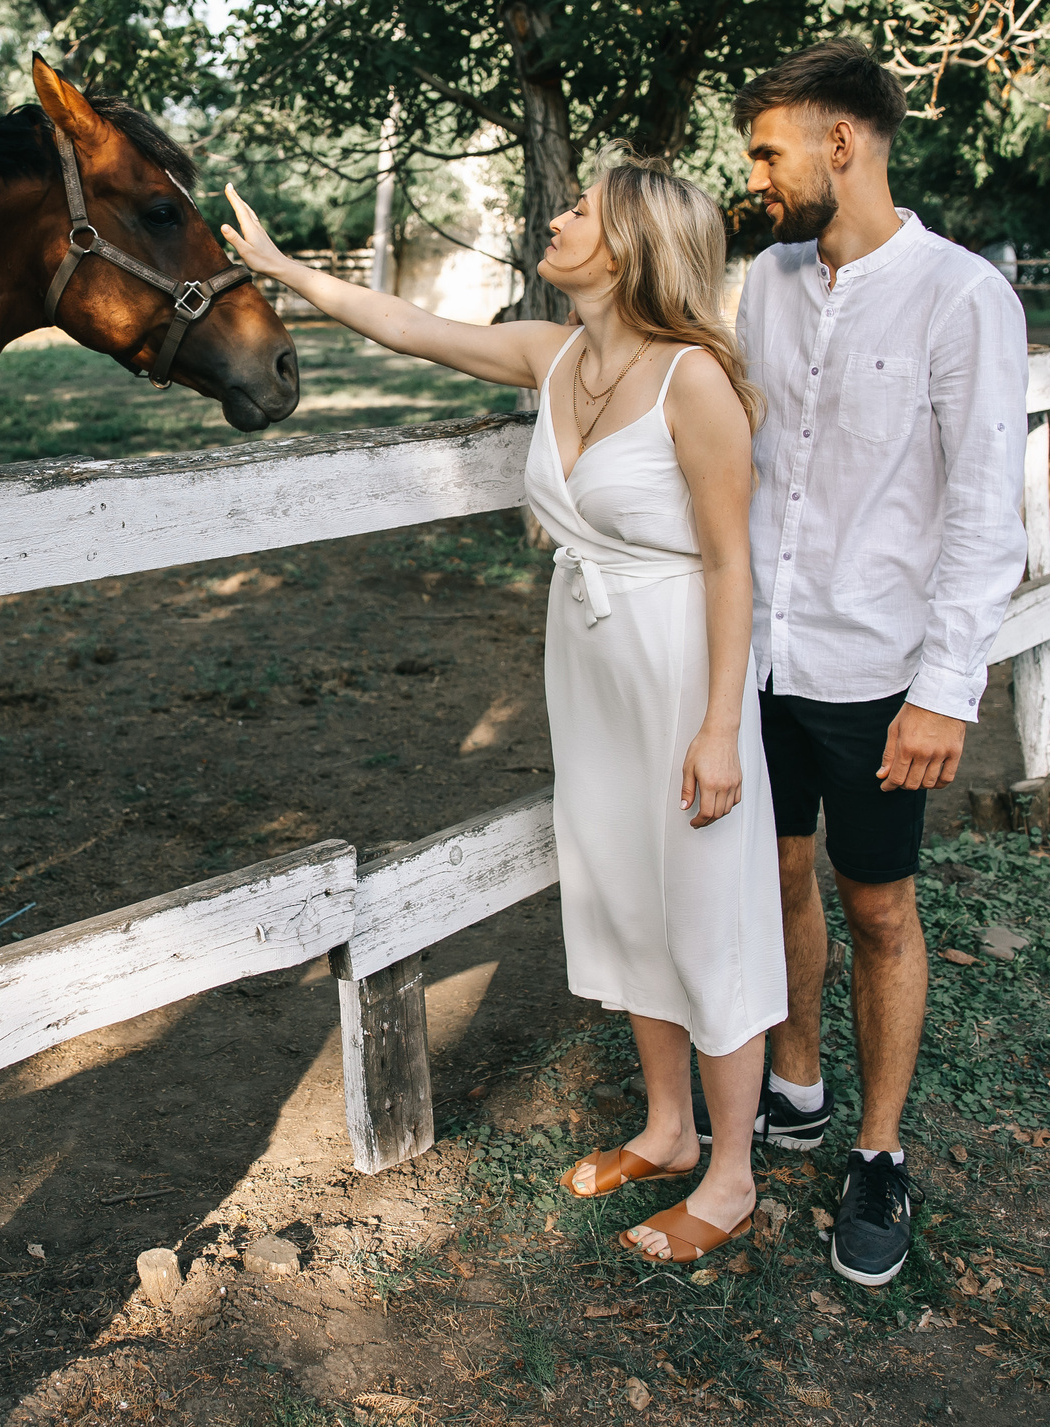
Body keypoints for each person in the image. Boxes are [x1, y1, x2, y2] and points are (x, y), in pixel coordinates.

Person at [222, 152, 785, 1265]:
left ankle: (731, 1174)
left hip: (678, 665)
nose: (560, 217)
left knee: (706, 908)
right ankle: (667, 1129)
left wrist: (720, 727)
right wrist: (283, 267)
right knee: (626, 893)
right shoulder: (555, 353)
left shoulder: (695, 382)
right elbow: (407, 328)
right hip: (587, 665)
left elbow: (732, 567)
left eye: (584, 211)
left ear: (631, 248)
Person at [720, 40, 1029, 1287]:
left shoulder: (962, 296)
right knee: (779, 873)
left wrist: (946, 686)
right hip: (764, 662)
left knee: (878, 907)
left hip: (876, 670)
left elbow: (982, 507)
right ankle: (793, 1085)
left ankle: (879, 1151)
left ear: (837, 144)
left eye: (765, 149)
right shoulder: (766, 285)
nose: (756, 176)